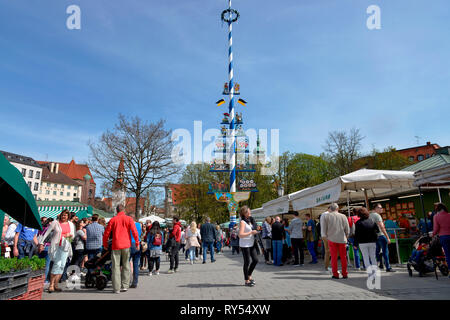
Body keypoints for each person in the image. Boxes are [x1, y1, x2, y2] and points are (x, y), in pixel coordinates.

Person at [103, 204, 139, 294]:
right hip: (126, 245)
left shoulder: (113, 219)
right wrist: (137, 243)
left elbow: (106, 233)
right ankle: (125, 285)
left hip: (116, 245)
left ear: (116, 210)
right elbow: (135, 232)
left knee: (115, 267)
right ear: (124, 210)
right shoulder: (129, 219)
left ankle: (116, 288)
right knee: (126, 265)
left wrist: (105, 244)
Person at [38, 210, 75, 293]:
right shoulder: (55, 223)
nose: (63, 217)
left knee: (62, 266)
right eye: (62, 215)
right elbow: (46, 233)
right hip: (56, 246)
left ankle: (56, 284)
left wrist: (69, 236)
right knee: (56, 264)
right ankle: (51, 285)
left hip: (65, 246)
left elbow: (73, 235)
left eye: (65, 215)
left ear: (68, 216)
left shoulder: (71, 224)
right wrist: (41, 243)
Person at [321, 203, 350, 279]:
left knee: (334, 257)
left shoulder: (326, 216)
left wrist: (326, 236)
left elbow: (324, 229)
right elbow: (347, 229)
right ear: (337, 209)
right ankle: (345, 273)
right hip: (342, 239)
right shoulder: (343, 216)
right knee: (343, 257)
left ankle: (335, 274)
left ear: (330, 208)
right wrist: (346, 236)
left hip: (331, 239)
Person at [354, 207, 380, 277]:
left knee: (366, 258)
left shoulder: (358, 223)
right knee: (373, 257)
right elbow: (377, 231)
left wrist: (355, 243)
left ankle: (370, 274)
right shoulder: (372, 221)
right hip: (372, 241)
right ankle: (375, 273)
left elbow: (356, 234)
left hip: (362, 243)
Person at [370, 203, 395, 272]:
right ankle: (388, 267)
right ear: (376, 208)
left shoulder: (369, 215)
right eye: (380, 208)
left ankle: (380, 264)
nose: (382, 209)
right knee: (385, 252)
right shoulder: (377, 216)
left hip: (374, 236)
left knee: (377, 252)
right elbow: (382, 227)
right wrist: (387, 237)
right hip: (381, 235)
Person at [238, 206, 259, 287]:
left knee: (255, 260)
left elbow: (252, 229)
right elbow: (240, 235)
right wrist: (251, 233)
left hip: (251, 243)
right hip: (245, 244)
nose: (250, 213)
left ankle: (249, 275)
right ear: (244, 213)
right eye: (249, 212)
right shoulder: (243, 222)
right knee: (247, 262)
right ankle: (246, 280)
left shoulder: (250, 221)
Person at [432, 203, 450, 274]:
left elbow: (436, 229)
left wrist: (433, 234)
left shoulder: (436, 216)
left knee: (448, 254)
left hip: (444, 237)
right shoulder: (449, 215)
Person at [128, 213, 142, 288]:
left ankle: (126, 281)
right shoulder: (139, 225)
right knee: (136, 264)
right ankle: (135, 282)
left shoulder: (128, 225)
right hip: (138, 244)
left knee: (126, 263)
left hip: (130, 244)